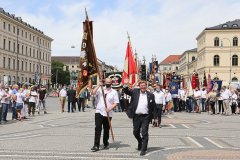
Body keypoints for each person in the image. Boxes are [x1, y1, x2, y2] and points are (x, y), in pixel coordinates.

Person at [123, 79, 156, 156]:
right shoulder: (135, 92)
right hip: (137, 116)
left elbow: (153, 107)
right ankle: (140, 141)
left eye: (144, 85)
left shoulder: (151, 95)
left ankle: (143, 149)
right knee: (135, 132)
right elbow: (126, 91)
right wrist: (125, 85)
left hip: (146, 117)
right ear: (139, 86)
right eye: (141, 85)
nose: (143, 87)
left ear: (146, 86)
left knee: (144, 132)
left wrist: (155, 117)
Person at [91, 78, 119, 152]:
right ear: (104, 83)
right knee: (98, 128)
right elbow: (92, 93)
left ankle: (105, 143)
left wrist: (110, 108)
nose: (107, 84)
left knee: (106, 129)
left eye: (109, 82)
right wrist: (98, 85)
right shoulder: (101, 89)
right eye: (106, 82)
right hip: (99, 111)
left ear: (111, 83)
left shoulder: (114, 92)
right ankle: (96, 145)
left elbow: (116, 103)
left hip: (108, 113)